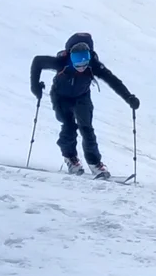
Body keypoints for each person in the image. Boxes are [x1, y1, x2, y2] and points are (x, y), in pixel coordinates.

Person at [30, 31, 139, 178]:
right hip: (60, 96)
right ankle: (70, 158)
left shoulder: (94, 65)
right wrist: (35, 86)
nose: (81, 66)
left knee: (87, 129)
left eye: (84, 62)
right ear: (70, 57)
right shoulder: (61, 62)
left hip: (82, 97)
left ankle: (95, 164)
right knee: (68, 126)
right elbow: (37, 61)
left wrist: (129, 97)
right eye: (77, 63)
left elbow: (113, 80)